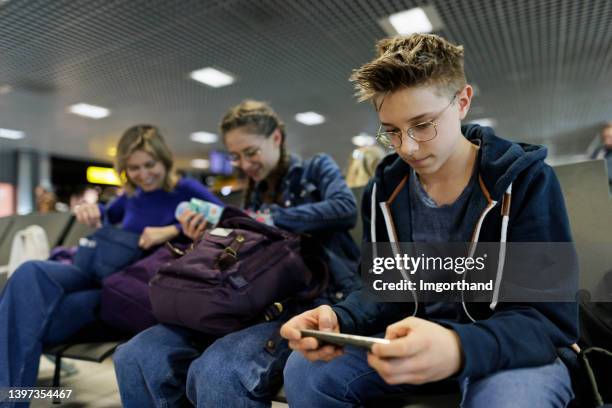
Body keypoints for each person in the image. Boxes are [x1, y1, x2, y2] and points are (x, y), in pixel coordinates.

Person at [281, 33, 578, 407]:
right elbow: (383, 292)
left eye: (423, 125)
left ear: (463, 102)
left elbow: (549, 321)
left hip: (507, 351)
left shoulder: (526, 181)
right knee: (306, 371)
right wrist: (340, 319)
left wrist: (457, 346)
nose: (407, 147)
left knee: (509, 399)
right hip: (411, 344)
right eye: (391, 131)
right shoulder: (384, 190)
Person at [113, 100, 362, 407]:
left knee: (217, 371)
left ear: (276, 139)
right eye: (235, 157)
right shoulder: (255, 189)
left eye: (251, 152)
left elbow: (345, 208)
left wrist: (263, 220)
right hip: (249, 299)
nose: (244, 164)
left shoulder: (316, 167)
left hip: (308, 300)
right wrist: (207, 236)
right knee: (136, 355)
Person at [0, 125, 221, 393]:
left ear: (164, 159)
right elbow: (105, 211)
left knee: (33, 320)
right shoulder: (130, 196)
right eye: (134, 168)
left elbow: (229, 216)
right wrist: (92, 210)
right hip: (98, 272)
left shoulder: (185, 189)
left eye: (149, 164)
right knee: (29, 272)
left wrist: (173, 229)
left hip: (128, 288)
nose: (143, 174)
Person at [590, 122, 612, 188]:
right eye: (605, 137)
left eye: (610, 137)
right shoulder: (598, 152)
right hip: (601, 185)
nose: (607, 141)